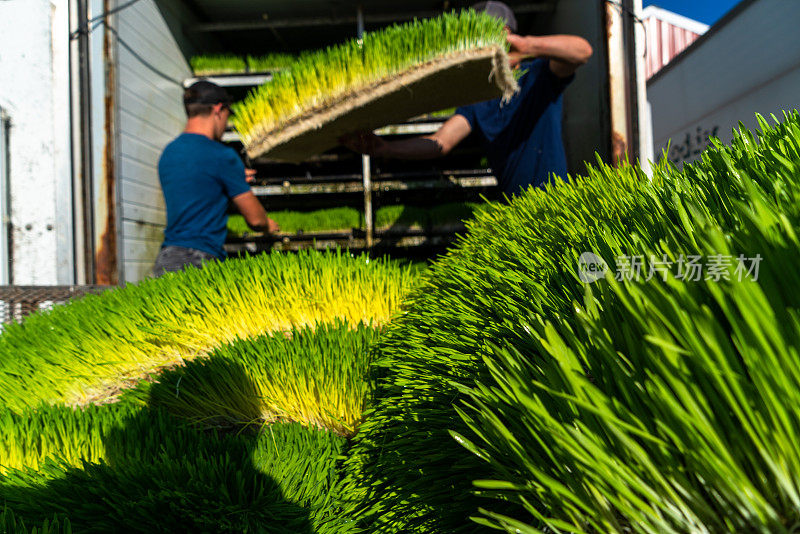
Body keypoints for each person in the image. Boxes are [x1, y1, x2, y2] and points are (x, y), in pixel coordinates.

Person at [340, 1, 593, 197]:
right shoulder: (479, 98)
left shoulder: (538, 75)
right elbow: (441, 142)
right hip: (517, 211)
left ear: (507, 35)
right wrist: (386, 148)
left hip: (556, 200)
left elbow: (582, 52)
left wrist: (526, 46)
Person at [153, 80, 279, 276]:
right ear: (219, 110)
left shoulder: (169, 153)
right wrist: (268, 225)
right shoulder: (221, 156)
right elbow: (255, 220)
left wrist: (228, 180)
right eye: (227, 116)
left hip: (167, 259)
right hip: (199, 261)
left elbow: (195, 189)